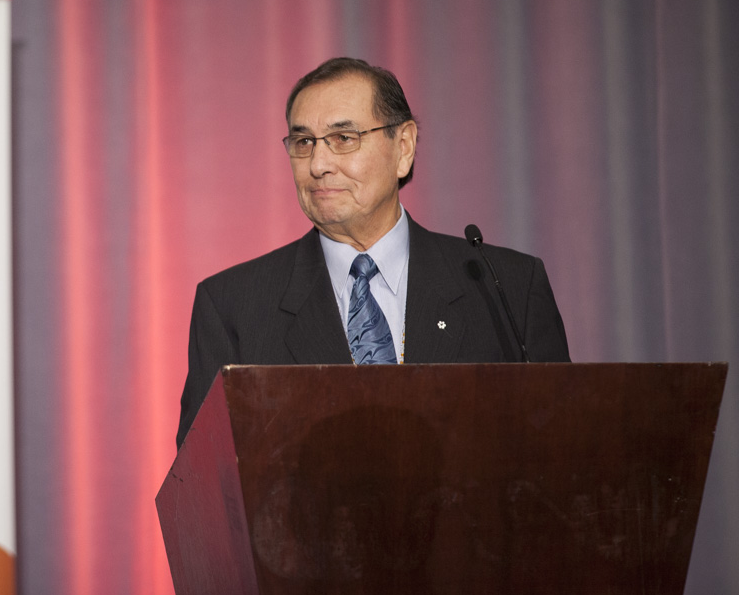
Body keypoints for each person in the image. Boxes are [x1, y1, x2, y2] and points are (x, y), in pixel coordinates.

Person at [176, 57, 570, 448]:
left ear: (403, 147)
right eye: (303, 142)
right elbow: (208, 491)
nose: (318, 164)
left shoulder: (505, 287)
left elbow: (564, 454)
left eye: (343, 139)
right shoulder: (234, 305)